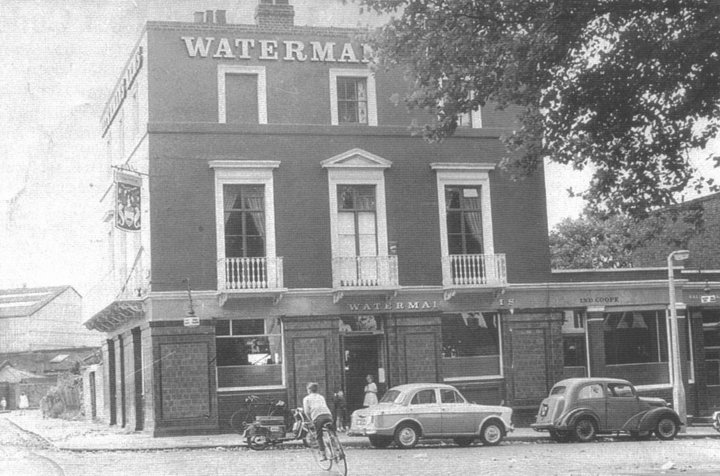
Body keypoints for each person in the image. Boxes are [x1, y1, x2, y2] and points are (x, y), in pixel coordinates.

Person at [303, 382, 334, 460]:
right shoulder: (321, 397)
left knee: (319, 436)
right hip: (328, 415)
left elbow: (307, 411)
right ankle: (337, 448)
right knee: (332, 433)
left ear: (309, 390)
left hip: (318, 417)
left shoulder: (307, 398)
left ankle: (323, 455)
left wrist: (311, 420)